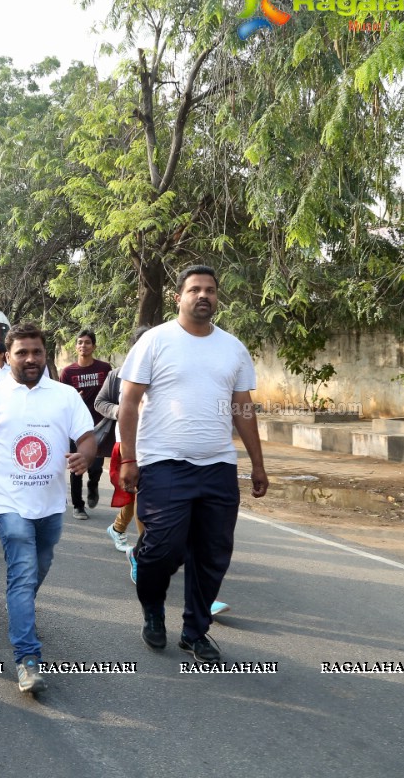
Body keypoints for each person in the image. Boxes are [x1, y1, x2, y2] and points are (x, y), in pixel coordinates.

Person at [117, 265, 268, 665]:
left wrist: (257, 464)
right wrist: (129, 458)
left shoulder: (232, 347)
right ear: (179, 297)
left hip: (217, 464)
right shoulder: (155, 341)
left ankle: (194, 632)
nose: (203, 296)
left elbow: (243, 407)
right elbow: (129, 403)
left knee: (213, 551)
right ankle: (152, 607)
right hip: (164, 462)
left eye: (211, 291)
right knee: (163, 549)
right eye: (195, 289)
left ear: (217, 298)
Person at [0, 322, 96, 694]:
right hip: (10, 504)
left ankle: (19, 603)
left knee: (37, 568)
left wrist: (85, 457)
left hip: (50, 504)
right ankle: (28, 659)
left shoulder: (64, 396)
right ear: (7, 356)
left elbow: (87, 437)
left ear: (45, 355)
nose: (30, 359)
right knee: (24, 572)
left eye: (37, 352)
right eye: (22, 352)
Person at [95, 326, 150, 555]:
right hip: (127, 444)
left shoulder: (164, 374)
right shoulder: (117, 375)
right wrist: (122, 411)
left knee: (139, 495)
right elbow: (100, 403)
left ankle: (120, 529)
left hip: (156, 444)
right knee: (136, 493)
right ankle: (143, 550)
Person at [59, 329, 112, 520]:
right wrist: (74, 400)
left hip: (98, 426)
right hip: (76, 427)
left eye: (87, 342)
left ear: (94, 346)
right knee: (76, 468)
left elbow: (111, 392)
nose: (83, 346)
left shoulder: (104, 368)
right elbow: (62, 399)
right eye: (80, 342)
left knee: (96, 466)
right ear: (76, 347)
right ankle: (78, 506)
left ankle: (93, 485)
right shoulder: (68, 372)